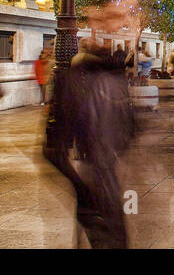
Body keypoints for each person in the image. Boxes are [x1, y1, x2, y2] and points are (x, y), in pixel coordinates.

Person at [48, 36, 135, 248]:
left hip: (103, 171)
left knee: (109, 233)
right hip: (97, 172)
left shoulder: (111, 77)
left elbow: (130, 125)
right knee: (108, 234)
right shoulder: (77, 79)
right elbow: (53, 148)